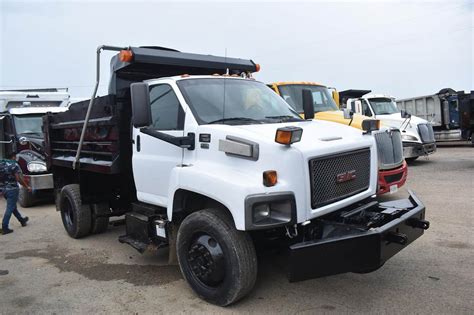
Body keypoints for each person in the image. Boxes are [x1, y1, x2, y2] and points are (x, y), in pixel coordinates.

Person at [1, 153, 31, 235]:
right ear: (13, 157)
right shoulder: (14, 165)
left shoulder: (1, 164)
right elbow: (18, 178)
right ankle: (4, 227)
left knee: (12, 206)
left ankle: (22, 220)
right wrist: (26, 186)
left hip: (3, 189)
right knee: (10, 208)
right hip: (12, 189)